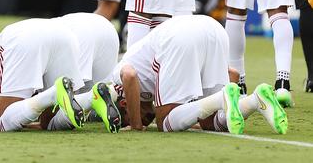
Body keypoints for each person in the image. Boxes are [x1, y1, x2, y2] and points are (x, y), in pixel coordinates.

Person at [112, 15, 288, 135]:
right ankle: (255, 101)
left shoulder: (118, 79)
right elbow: (232, 74)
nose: (144, 121)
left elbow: (129, 75)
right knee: (210, 123)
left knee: (164, 123)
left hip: (179, 37)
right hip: (214, 28)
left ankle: (221, 99)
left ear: (124, 103)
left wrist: (135, 125)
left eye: (126, 118)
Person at [0, 18, 120, 132]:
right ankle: (93, 97)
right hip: (63, 35)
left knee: (1, 123)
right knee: (49, 124)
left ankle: (54, 93)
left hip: (22, 38)